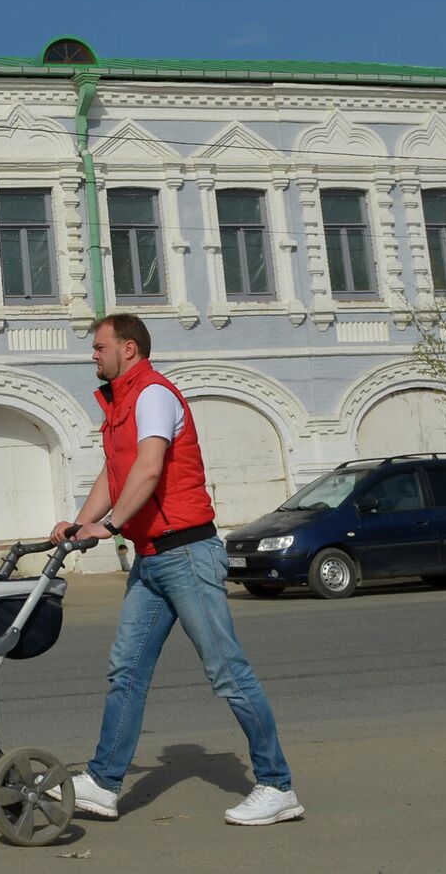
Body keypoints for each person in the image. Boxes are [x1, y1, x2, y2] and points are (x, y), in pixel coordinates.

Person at [49, 314, 302, 827]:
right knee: (127, 671)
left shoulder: (153, 395)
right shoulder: (120, 405)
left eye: (100, 347)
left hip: (187, 553)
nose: (92, 355)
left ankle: (277, 787)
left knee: (228, 673)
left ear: (131, 350)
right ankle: (103, 782)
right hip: (152, 560)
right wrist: (81, 525)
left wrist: (112, 526)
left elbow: (148, 468)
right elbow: (114, 472)